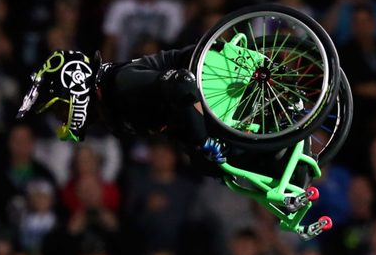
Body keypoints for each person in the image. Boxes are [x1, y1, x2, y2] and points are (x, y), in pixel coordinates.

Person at [16, 45, 229, 178]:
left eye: (58, 107)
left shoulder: (119, 84)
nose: (59, 117)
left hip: (218, 72)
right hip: (212, 98)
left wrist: (203, 141)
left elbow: (183, 83)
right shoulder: (111, 111)